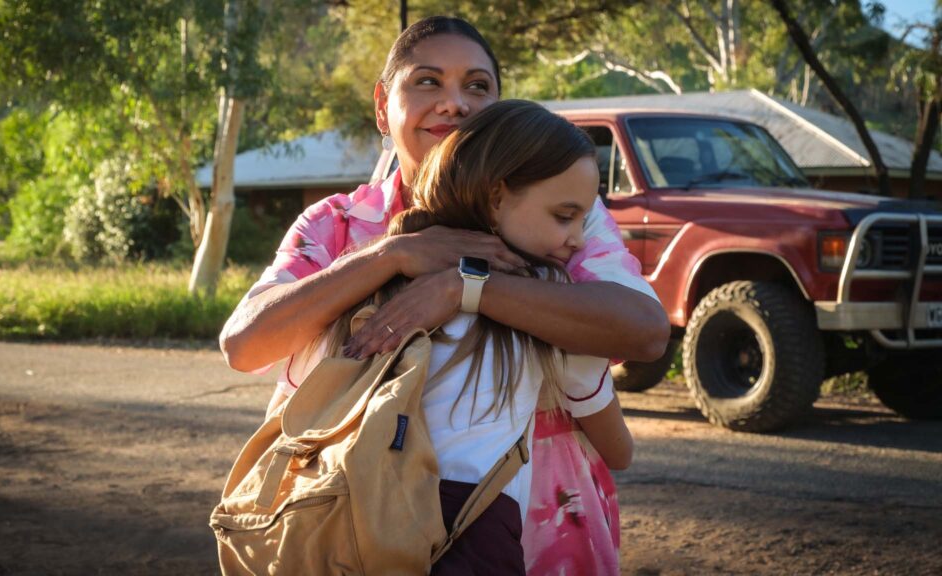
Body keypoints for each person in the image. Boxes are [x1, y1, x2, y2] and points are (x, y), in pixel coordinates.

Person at [219, 15, 667, 574]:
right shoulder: (338, 225)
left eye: (477, 86)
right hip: (350, 528)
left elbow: (645, 331)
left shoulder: (561, 215)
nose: (454, 103)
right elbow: (245, 344)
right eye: (427, 81)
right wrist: (391, 256)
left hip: (542, 536)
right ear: (382, 105)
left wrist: (465, 287)